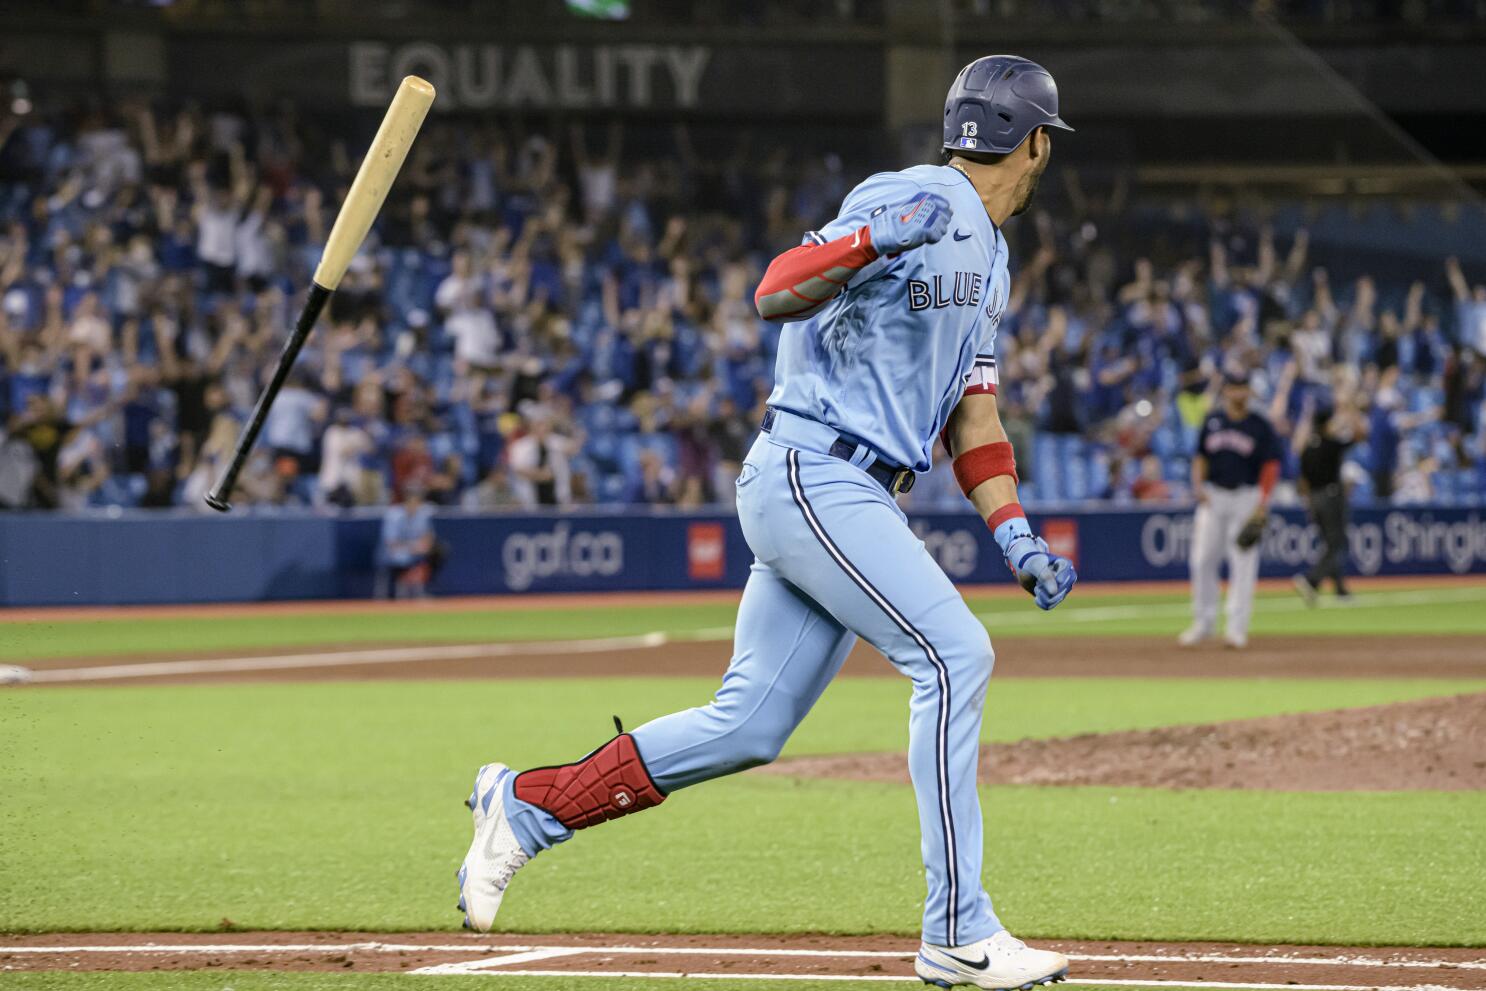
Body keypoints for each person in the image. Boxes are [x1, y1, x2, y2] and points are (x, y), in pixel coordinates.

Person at [454, 56, 1078, 991]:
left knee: (747, 723)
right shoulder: (913, 193)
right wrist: (870, 241)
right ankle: (958, 927)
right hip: (815, 469)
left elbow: (974, 420)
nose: (1045, 160)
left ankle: (526, 807)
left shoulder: (989, 255)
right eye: (1046, 144)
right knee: (955, 657)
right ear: (1031, 140)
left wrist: (1016, 532)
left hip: (847, 486)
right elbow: (776, 287)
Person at [1179, 370, 1280, 649]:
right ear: (1225, 392)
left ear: (1249, 390)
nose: (1238, 392)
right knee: (1202, 560)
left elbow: (1271, 465)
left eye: (1243, 387)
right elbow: (1200, 456)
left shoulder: (1259, 425)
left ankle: (1236, 629)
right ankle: (1204, 622)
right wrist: (1197, 485)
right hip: (1214, 495)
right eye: (1234, 388)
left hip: (1246, 496)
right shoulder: (1213, 420)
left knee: (1243, 562)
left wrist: (1263, 501)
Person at [1292, 400, 1365, 604]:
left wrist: (1308, 503)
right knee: (1337, 543)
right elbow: (1359, 435)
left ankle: (1340, 588)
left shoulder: (1307, 447)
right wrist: (1353, 413)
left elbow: (1303, 481)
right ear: (1327, 424)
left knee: (1330, 543)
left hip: (1314, 498)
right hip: (1332, 496)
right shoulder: (1330, 443)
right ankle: (1311, 579)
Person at [378, 483, 441, 598]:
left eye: (417, 498)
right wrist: (413, 547)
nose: (414, 502)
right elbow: (391, 543)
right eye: (411, 497)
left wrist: (424, 545)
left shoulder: (422, 514)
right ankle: (402, 591)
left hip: (416, 552)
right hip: (394, 552)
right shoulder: (393, 515)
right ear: (406, 499)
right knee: (401, 557)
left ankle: (421, 588)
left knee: (439, 551)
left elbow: (428, 536)